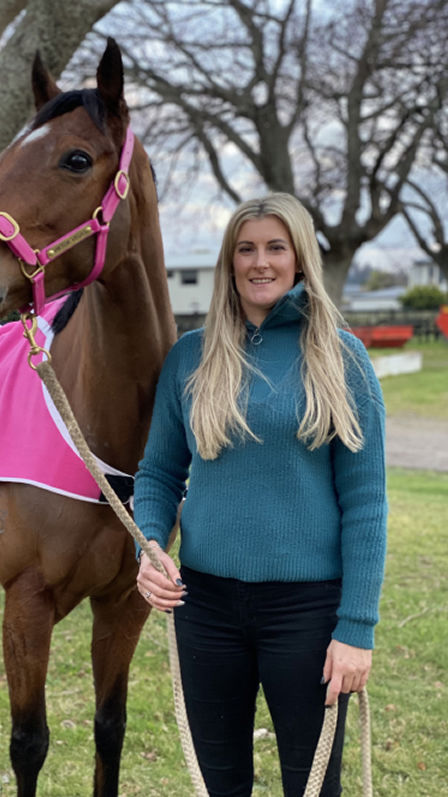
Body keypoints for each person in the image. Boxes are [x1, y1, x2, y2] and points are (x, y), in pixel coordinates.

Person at [134, 193, 387, 797]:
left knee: (313, 785)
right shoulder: (190, 357)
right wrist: (148, 543)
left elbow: (367, 506)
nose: (260, 262)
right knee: (220, 784)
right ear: (230, 262)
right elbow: (159, 473)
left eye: (276, 247)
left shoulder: (341, 359)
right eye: (245, 249)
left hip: (307, 612)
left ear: (299, 258)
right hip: (205, 607)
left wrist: (356, 629)